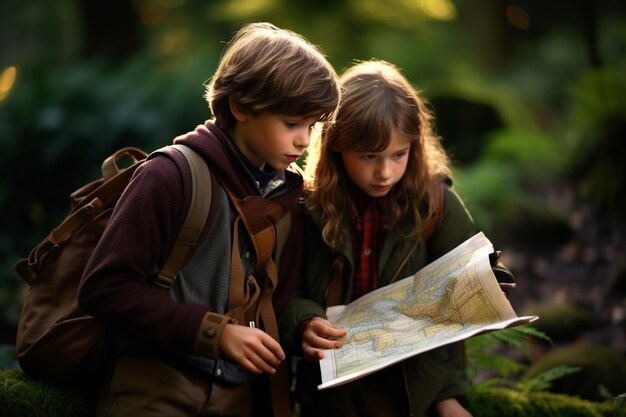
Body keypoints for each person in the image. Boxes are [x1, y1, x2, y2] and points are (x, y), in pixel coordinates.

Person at [78, 22, 340, 417]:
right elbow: (104, 288)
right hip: (153, 388)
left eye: (312, 125)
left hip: (242, 397)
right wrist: (213, 333)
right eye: (291, 124)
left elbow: (279, 301)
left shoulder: (289, 200)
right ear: (240, 107)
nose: (305, 140)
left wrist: (303, 325)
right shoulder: (169, 176)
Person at [279, 59, 483, 417]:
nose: (384, 171)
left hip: (413, 393)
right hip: (333, 396)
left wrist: (447, 396)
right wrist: (305, 323)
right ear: (337, 145)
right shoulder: (307, 207)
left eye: (398, 154)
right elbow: (285, 291)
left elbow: (453, 307)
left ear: (415, 147)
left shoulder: (434, 205)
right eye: (368, 156)